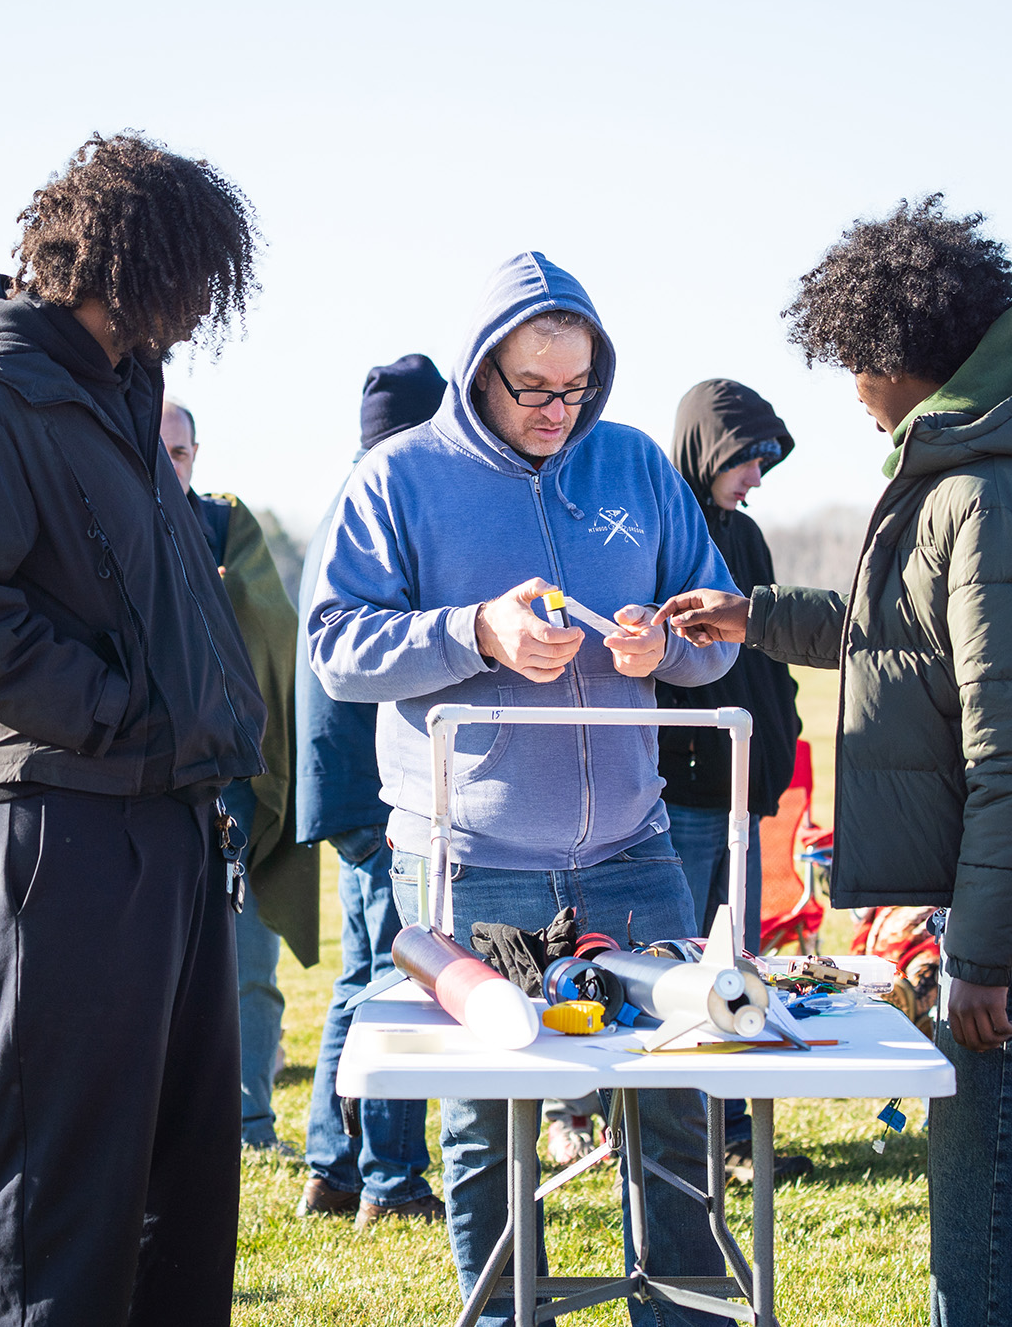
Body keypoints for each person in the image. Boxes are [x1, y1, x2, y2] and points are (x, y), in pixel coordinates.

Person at [655, 194, 1012, 1327]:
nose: (849, 388)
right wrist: (752, 616)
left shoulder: (993, 495)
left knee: (1007, 1207)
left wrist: (981, 956)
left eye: (853, 361)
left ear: (904, 355)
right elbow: (901, 632)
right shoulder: (1002, 471)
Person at [308, 251, 738, 1326]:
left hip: (633, 849)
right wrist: (472, 632)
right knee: (485, 1121)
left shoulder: (636, 466)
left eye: (578, 387)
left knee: (676, 1097)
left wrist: (663, 651)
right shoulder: (398, 478)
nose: (559, 411)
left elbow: (713, 631)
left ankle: (681, 1312)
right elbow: (334, 647)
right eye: (534, 389)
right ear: (479, 370)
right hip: (466, 859)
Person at [0, 133, 263, 1327]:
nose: (200, 309)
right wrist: (119, 717)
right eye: (190, 276)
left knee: (178, 1165)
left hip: (166, 814)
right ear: (120, 262)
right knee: (60, 1171)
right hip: (59, 818)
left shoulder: (119, 390)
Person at [296, 355, 450, 1226]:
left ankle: (333, 1165)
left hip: (341, 780)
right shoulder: (391, 506)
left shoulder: (343, 501)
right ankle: (390, 1180)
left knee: (361, 978)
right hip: (376, 788)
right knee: (401, 981)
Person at [656, 377, 811, 1184]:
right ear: (709, 449)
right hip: (679, 797)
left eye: (766, 462)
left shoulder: (747, 537)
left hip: (744, 795)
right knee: (681, 967)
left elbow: (768, 653)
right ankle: (676, 1142)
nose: (757, 475)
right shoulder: (660, 524)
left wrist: (781, 735)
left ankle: (740, 1137)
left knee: (739, 966)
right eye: (748, 458)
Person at [158, 396, 321, 1154]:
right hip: (138, 789)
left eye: (181, 451)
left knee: (249, 964)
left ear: (197, 452)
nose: (169, 464)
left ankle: (251, 1123)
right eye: (156, 449)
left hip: (227, 786)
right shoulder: (98, 523)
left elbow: (273, 640)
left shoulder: (226, 526)